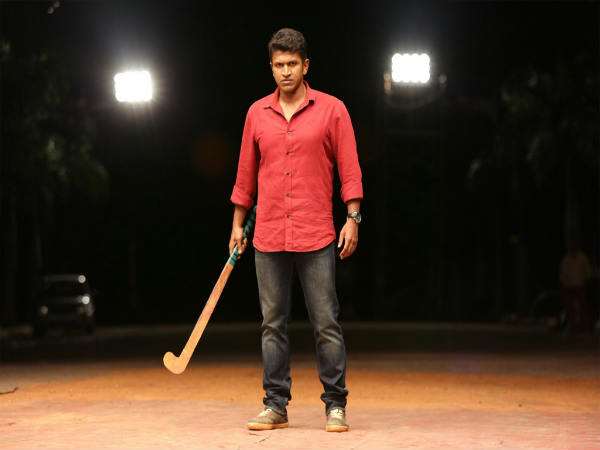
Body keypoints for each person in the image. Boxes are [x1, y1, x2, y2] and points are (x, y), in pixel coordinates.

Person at [228, 28, 363, 432]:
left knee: (326, 322)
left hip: (316, 232)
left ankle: (335, 404)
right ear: (270, 67)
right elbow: (245, 175)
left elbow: (349, 169)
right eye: (278, 65)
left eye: (292, 64)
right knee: (272, 324)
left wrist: (353, 218)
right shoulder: (256, 113)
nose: (285, 71)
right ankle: (275, 404)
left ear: (306, 65)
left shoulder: (333, 110)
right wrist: (237, 225)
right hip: (268, 234)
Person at [559, 240, 593, 334]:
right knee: (570, 308)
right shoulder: (566, 259)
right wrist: (564, 285)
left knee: (582, 307)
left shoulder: (582, 258)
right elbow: (562, 273)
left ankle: (584, 326)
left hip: (580, 285)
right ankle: (572, 326)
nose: (572, 248)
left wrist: (585, 282)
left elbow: (587, 271)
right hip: (568, 286)